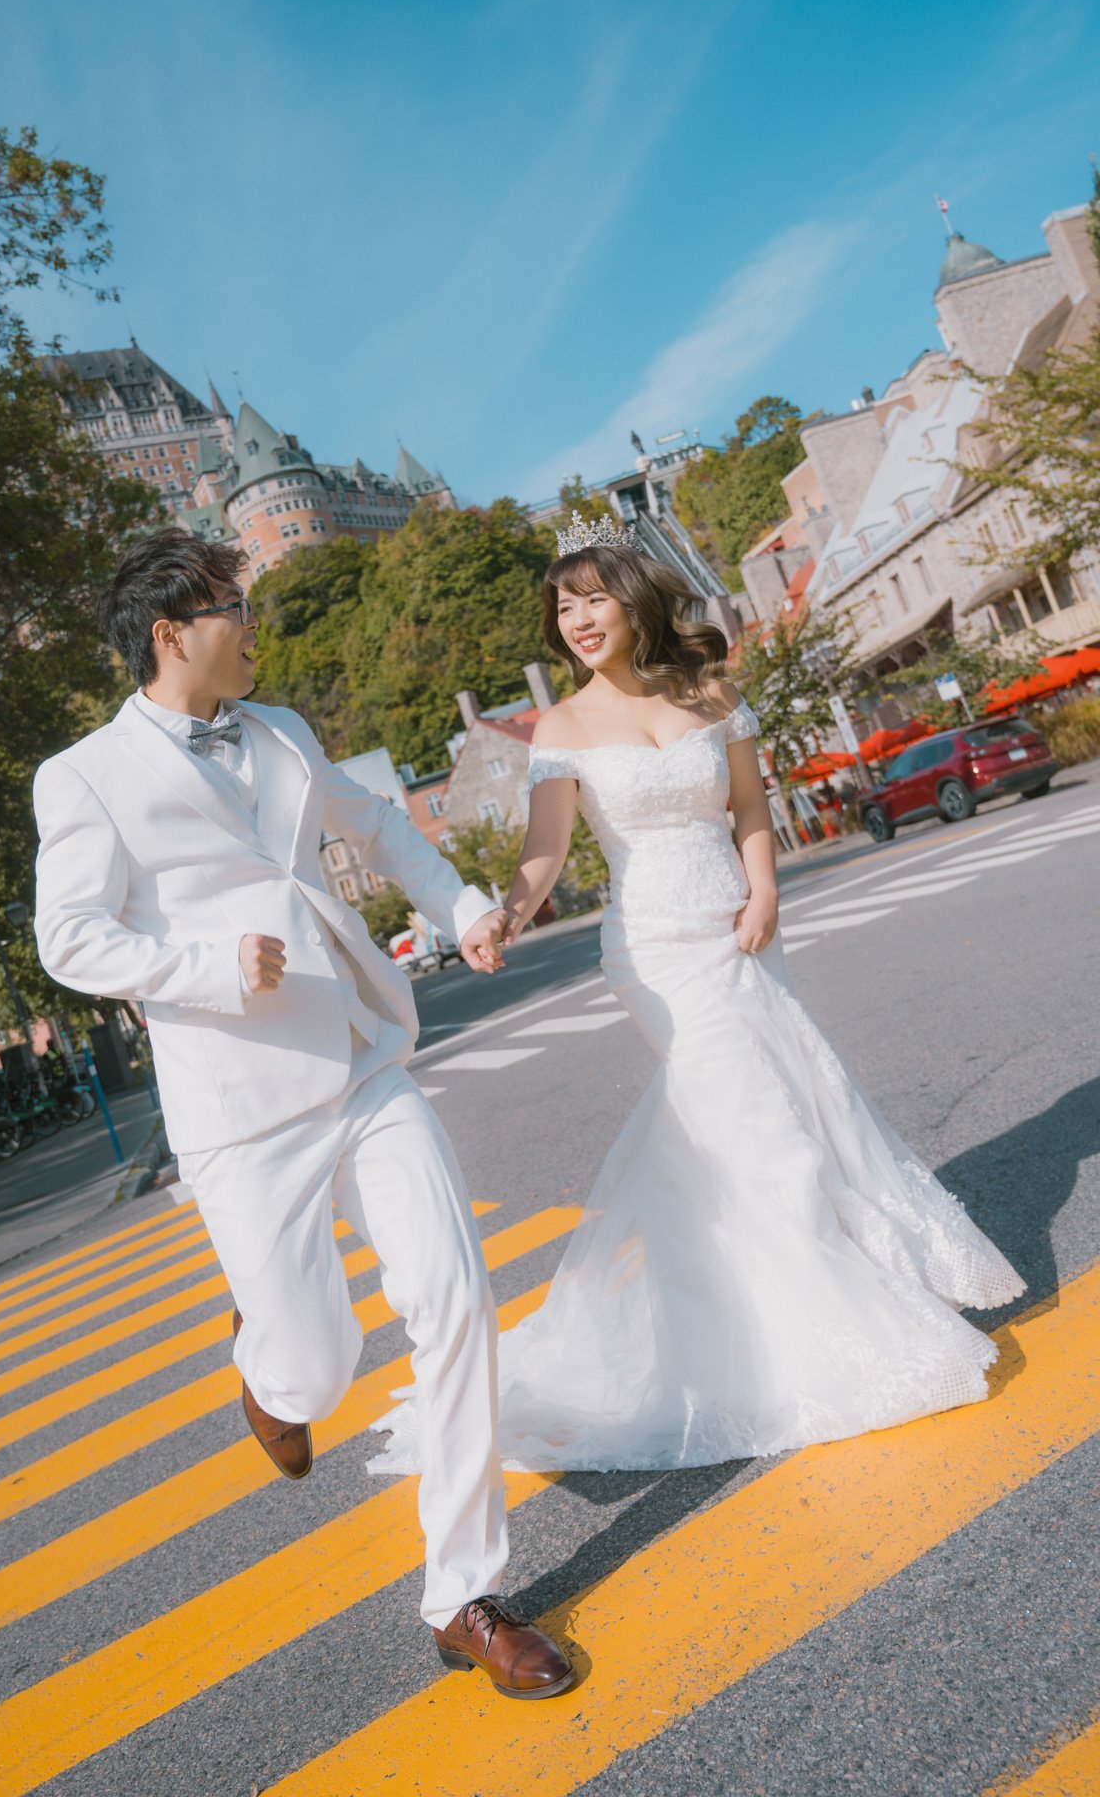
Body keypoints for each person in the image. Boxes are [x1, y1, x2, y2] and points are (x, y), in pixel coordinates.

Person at [33, 528, 574, 1699]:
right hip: (236, 1102)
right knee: (318, 1372)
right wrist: (211, 967)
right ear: (173, 632)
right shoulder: (82, 775)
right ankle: (270, 1378)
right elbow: (69, 937)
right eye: (233, 607)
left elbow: (376, 829)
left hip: (356, 1054)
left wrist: (462, 908)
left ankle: (463, 1598)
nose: (252, 625)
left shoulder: (281, 731)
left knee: (455, 1296)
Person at [371, 518, 1025, 1476]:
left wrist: (765, 890)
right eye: (562, 606)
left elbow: (752, 808)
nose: (576, 619)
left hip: (740, 926)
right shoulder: (559, 727)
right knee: (761, 1124)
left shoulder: (712, 691)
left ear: (633, 598)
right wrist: (505, 914)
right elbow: (545, 851)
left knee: (791, 1102)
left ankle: (789, 1302)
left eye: (592, 597)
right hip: (655, 952)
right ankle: (827, 1340)